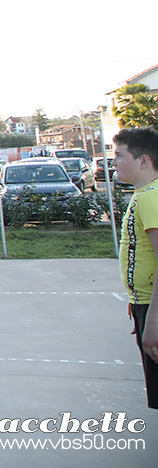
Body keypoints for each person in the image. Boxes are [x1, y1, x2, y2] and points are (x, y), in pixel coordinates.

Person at [114, 126, 158, 409]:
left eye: (119, 155)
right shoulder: (145, 195)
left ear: (143, 161)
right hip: (145, 303)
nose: (113, 163)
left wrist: (153, 320)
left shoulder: (150, 198)